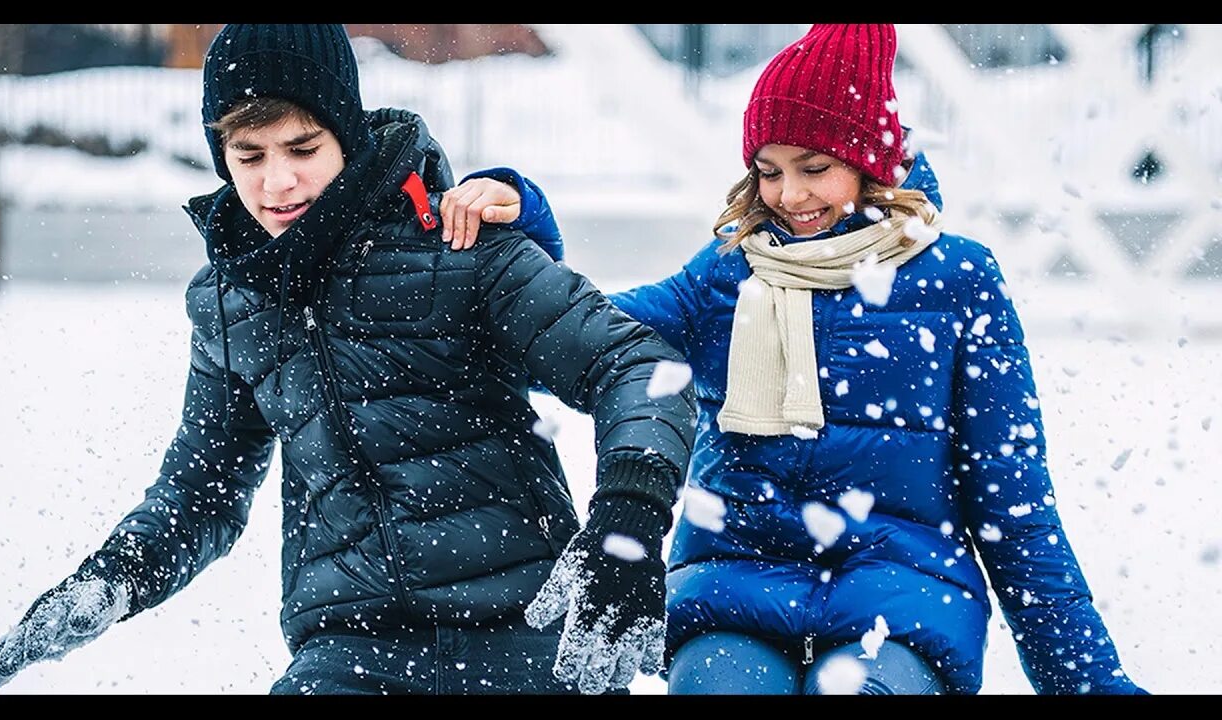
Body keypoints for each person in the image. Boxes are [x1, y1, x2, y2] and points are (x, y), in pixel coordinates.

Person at [0, 23, 696, 696]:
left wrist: (625, 521)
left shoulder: (459, 246)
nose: (275, 182)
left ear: (345, 133)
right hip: (351, 647)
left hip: (524, 629)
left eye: (301, 149)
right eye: (248, 157)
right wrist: (112, 578)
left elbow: (637, 367)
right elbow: (204, 490)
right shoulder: (231, 303)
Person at [441, 23, 1146, 695]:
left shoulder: (956, 283)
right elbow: (572, 347)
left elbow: (1013, 508)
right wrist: (523, 218)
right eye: (769, 171)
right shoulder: (725, 279)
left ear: (871, 164)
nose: (790, 196)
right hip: (734, 591)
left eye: (816, 167)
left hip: (900, 604)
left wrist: (1085, 680)